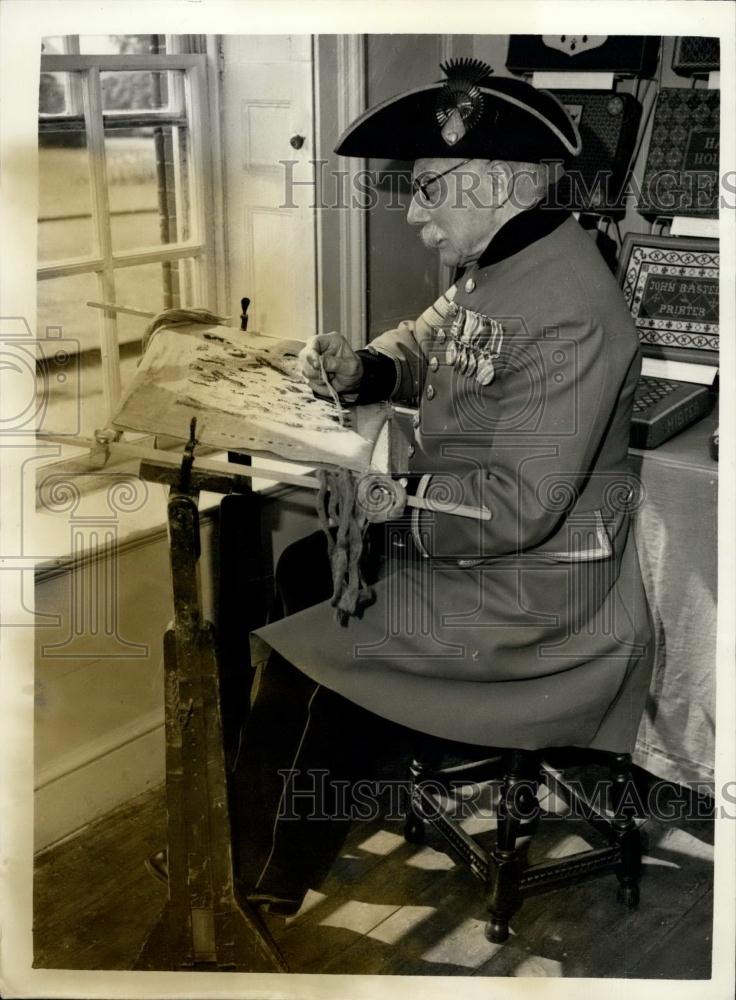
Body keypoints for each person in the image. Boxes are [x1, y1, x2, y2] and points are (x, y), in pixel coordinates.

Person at [157, 61, 655, 918]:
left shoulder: (571, 305)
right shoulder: (505, 257)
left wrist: (391, 507)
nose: (415, 213)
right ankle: (291, 797)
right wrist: (363, 366)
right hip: (477, 546)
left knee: (313, 655)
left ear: (498, 182)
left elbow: (517, 508)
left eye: (427, 189)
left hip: (534, 594)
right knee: (310, 570)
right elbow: (428, 345)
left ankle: (249, 880)